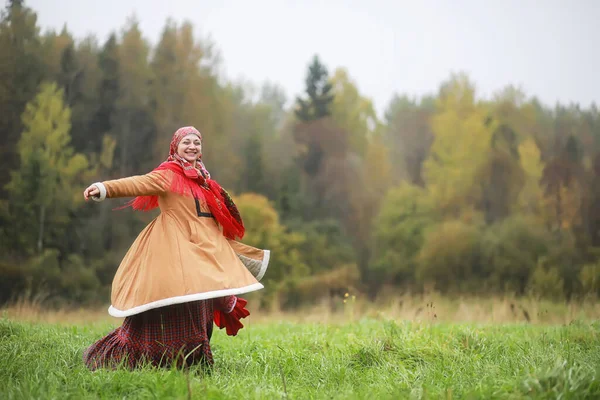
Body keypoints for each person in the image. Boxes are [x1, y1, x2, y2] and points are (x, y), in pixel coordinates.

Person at [81, 126, 270, 370]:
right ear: (175, 147)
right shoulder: (168, 174)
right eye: (186, 142)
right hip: (173, 251)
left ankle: (193, 363)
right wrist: (104, 188)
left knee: (197, 304)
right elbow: (139, 183)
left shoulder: (206, 182)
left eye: (197, 143)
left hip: (201, 253)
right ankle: (153, 361)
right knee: (171, 304)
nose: (192, 147)